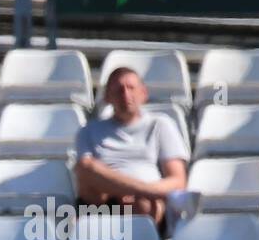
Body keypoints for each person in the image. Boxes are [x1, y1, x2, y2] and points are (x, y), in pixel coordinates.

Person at [74, 66, 189, 228]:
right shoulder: (88, 130)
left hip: (145, 202)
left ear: (144, 93)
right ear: (107, 96)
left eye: (131, 88)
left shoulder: (160, 125)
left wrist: (140, 193)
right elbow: (85, 173)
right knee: (86, 166)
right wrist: (132, 190)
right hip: (102, 200)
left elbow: (178, 181)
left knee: (143, 204)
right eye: (118, 90)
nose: (125, 95)